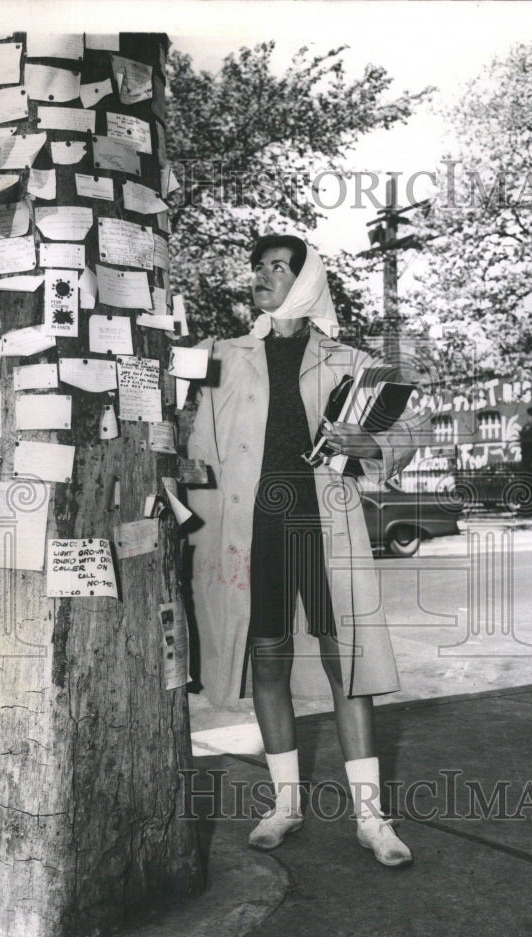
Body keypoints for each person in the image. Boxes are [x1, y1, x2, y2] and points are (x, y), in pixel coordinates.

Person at [186, 235, 426, 867]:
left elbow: (407, 431)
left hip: (324, 524)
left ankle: (372, 819)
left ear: (304, 281)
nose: (261, 276)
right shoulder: (223, 354)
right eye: (257, 267)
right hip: (249, 529)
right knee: (266, 657)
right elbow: (197, 443)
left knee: (345, 661)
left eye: (276, 268)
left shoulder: (348, 360)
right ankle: (286, 803)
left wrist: (368, 444)